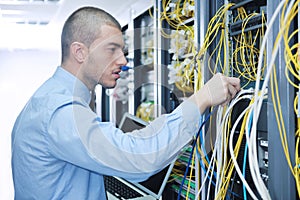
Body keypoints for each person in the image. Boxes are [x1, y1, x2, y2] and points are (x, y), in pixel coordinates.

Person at [11, 6, 240, 200]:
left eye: (123, 51)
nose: (123, 60)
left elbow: (126, 148)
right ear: (80, 52)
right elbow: (140, 157)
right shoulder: (61, 112)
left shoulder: (49, 99)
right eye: (112, 49)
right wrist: (201, 99)